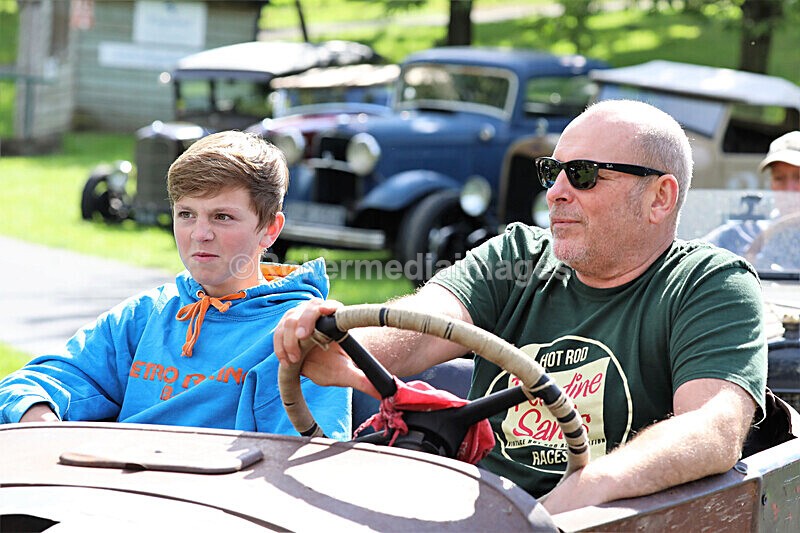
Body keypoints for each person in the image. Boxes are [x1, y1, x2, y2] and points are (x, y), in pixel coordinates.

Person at [274, 100, 766, 514]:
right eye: (552, 172)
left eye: (584, 175)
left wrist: (586, 493)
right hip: (471, 508)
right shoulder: (518, 257)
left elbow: (712, 427)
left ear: (660, 197)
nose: (555, 192)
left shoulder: (708, 284)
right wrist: (339, 342)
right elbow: (427, 325)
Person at [0, 130, 350, 440]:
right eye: (186, 214)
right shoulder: (148, 314)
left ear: (270, 230)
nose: (200, 234)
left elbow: (304, 461)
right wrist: (47, 431)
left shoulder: (299, 333)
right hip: (111, 495)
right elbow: (32, 384)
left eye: (222, 217)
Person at [703, 130, 800, 254]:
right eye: (779, 178)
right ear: (771, 184)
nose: (789, 189)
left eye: (799, 177)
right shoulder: (743, 234)